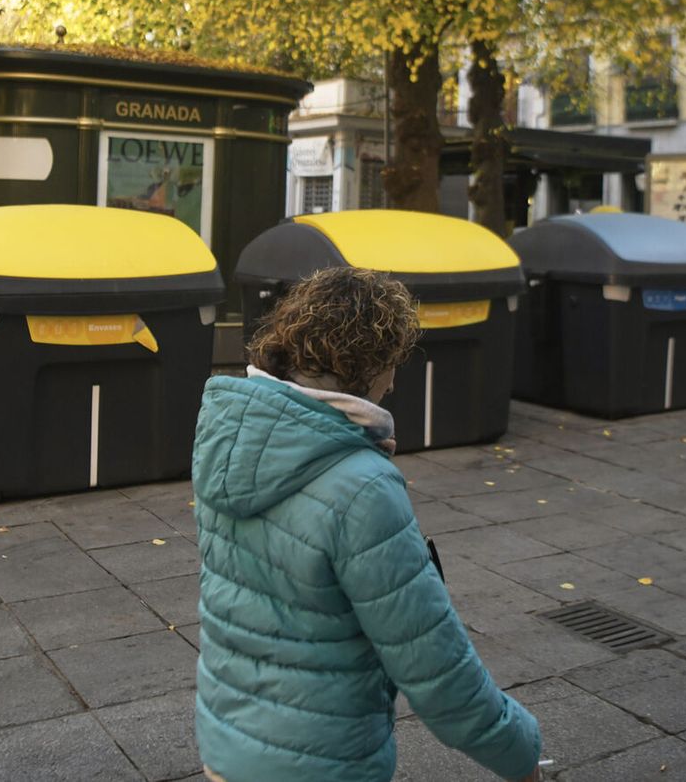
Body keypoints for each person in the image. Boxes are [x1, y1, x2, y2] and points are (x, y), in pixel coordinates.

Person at [193, 266, 546, 782]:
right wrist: (519, 754)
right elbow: (436, 667)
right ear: (365, 365)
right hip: (322, 761)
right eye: (392, 362)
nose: (395, 380)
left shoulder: (228, 439)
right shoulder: (363, 488)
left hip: (228, 747)